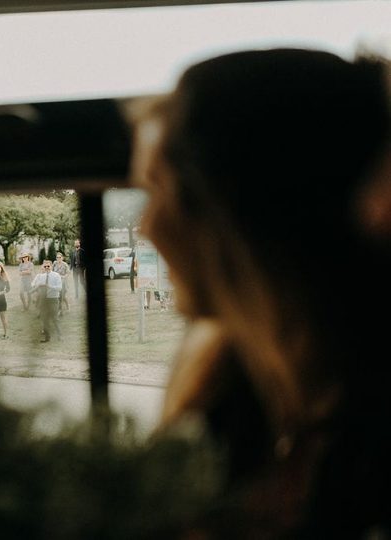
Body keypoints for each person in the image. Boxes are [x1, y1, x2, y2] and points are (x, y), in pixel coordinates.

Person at [130, 48, 391, 537]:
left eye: (157, 189)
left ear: (231, 214)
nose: (146, 228)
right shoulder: (225, 394)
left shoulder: (375, 436)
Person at [30, 260, 62, 342]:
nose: (47, 268)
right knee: (44, 319)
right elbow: (34, 285)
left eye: (48, 266)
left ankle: (59, 335)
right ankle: (47, 337)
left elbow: (59, 288)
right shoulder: (41, 276)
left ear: (51, 266)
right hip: (43, 299)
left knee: (55, 318)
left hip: (53, 299)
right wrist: (38, 286)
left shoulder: (56, 275)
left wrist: (49, 286)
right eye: (45, 266)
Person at [52, 252, 70, 316]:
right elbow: (52, 271)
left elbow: (67, 273)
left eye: (60, 257)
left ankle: (64, 308)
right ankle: (59, 310)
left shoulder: (65, 264)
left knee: (62, 297)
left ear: (62, 258)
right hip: (56, 282)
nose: (58, 259)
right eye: (57, 257)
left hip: (63, 282)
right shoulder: (54, 263)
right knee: (58, 297)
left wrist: (63, 277)